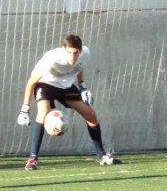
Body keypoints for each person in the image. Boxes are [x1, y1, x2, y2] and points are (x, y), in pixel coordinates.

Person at [17, 34, 121, 170]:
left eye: (76, 53)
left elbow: (79, 66)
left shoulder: (85, 53)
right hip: (46, 85)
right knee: (43, 113)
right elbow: (31, 82)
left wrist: (82, 86)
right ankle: (32, 159)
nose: (73, 57)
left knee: (91, 114)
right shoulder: (51, 58)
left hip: (66, 86)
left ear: (80, 51)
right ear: (63, 49)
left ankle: (101, 156)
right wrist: (25, 109)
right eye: (69, 53)